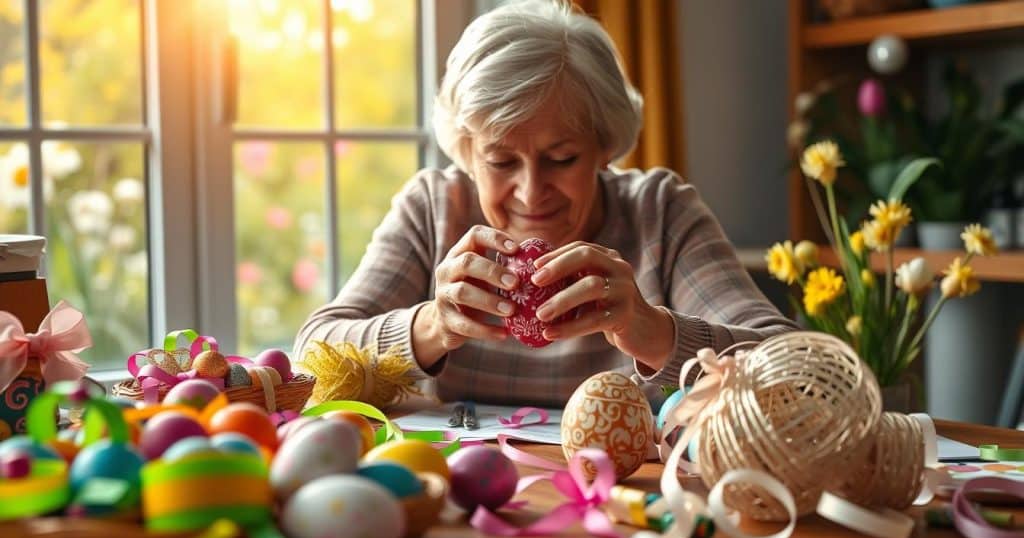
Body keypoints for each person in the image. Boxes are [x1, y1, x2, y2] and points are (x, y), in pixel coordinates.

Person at [294, 0, 797, 407]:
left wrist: (653, 330)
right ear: (466, 151)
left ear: (605, 145)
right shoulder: (434, 208)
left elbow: (800, 371)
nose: (532, 193)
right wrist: (434, 324)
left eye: (562, 158)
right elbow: (309, 361)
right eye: (500, 161)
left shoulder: (659, 213)